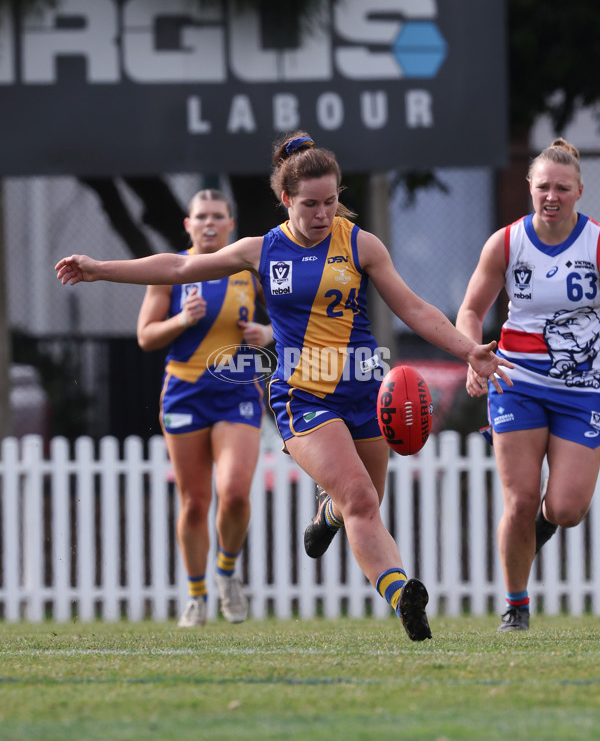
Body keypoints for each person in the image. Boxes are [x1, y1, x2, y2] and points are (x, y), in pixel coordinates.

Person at [56, 131, 513, 642]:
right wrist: (101, 269)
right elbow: (180, 266)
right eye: (311, 204)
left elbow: (413, 308)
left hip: (364, 392)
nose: (323, 214)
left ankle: (326, 515)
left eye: (332, 201)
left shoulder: (361, 244)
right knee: (360, 497)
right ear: (286, 201)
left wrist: (467, 349)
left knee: (363, 501)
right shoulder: (261, 249)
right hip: (303, 398)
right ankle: (401, 592)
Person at [456, 138, 600, 632]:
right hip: (517, 381)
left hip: (583, 391)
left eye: (562, 188)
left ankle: (542, 524)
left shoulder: (596, 243)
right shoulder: (507, 242)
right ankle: (516, 607)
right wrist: (473, 358)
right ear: (530, 188)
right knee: (519, 500)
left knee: (567, 507)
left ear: (580, 191)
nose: (552, 196)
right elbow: (471, 311)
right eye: (543, 187)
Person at [136, 189, 273, 627]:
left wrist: (267, 334)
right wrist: (181, 320)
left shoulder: (250, 270)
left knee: (233, 494)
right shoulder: (170, 272)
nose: (209, 223)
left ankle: (227, 573)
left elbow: (294, 319)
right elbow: (145, 336)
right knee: (194, 503)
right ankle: (196, 595)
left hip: (236, 391)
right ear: (188, 225)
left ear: (231, 225)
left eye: (218, 216)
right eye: (201, 216)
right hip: (185, 391)